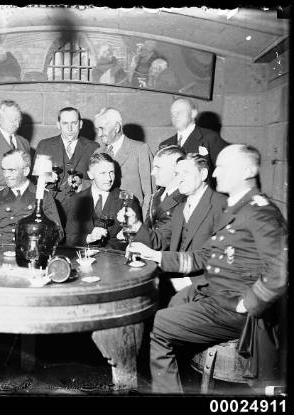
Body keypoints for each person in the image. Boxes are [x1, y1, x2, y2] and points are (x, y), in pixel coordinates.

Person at [126, 144, 288, 393]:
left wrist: (248, 303)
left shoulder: (259, 211)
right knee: (172, 304)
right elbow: (203, 256)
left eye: (222, 167)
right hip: (213, 292)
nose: (214, 173)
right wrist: (155, 255)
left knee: (159, 324)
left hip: (234, 306)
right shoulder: (236, 208)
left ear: (246, 171)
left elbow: (279, 271)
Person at [122, 153, 227, 306]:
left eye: (186, 173)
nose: (180, 178)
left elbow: (220, 261)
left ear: (203, 174)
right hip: (177, 277)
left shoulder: (221, 205)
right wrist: (136, 224)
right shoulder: (181, 207)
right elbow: (161, 240)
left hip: (205, 288)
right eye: (177, 173)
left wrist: (186, 281)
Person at [0, 149, 63, 244]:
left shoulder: (43, 196)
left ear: (26, 171)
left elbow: (59, 233)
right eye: (4, 170)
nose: (6, 175)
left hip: (33, 251)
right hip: (4, 252)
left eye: (11, 170)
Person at [34, 107, 99, 227]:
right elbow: (36, 184)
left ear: (80, 124)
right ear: (58, 124)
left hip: (83, 213)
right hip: (51, 211)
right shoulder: (45, 146)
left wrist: (82, 183)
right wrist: (44, 179)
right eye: (65, 123)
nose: (69, 129)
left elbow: (101, 183)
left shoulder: (94, 148)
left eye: (74, 123)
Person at [66, 153, 141, 250]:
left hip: (116, 260)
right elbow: (70, 238)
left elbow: (138, 238)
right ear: (90, 175)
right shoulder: (76, 200)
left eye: (111, 172)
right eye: (103, 173)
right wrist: (89, 238)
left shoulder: (128, 199)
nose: (109, 178)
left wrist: (126, 235)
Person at [94, 107, 154, 219]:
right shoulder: (98, 153)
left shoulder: (140, 149)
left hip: (131, 221)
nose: (99, 134)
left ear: (116, 127)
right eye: (98, 129)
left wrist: (144, 225)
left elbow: (150, 193)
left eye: (102, 128)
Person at [159, 98, 228, 176]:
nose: (175, 116)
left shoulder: (210, 138)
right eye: (173, 113)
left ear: (193, 113)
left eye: (179, 112)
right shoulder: (165, 145)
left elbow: (226, 171)